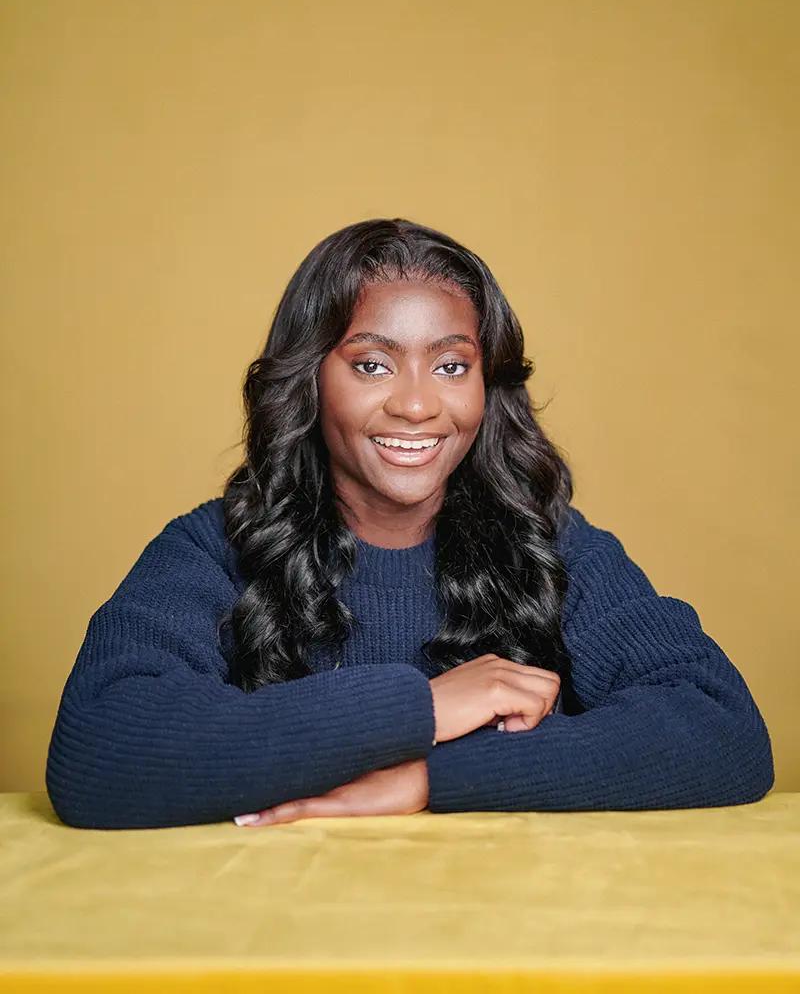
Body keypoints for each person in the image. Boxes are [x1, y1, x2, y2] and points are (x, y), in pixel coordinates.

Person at [45, 218, 774, 830]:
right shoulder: (213, 549)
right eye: (372, 365)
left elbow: (722, 732)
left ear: (489, 385)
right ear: (309, 379)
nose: (418, 406)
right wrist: (423, 706)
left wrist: (431, 781)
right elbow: (100, 751)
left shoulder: (554, 547)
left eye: (452, 368)